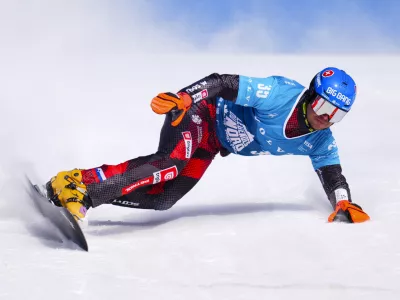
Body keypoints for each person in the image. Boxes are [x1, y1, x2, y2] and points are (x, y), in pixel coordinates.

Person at [46, 67, 370, 224]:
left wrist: (342, 203)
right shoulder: (280, 93)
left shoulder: (319, 138)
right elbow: (223, 82)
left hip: (213, 141)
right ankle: (83, 192)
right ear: (311, 96)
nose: (327, 118)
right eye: (324, 108)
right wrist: (186, 97)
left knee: (164, 200)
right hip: (201, 109)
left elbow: (333, 175)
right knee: (169, 164)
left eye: (337, 115)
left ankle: (76, 179)